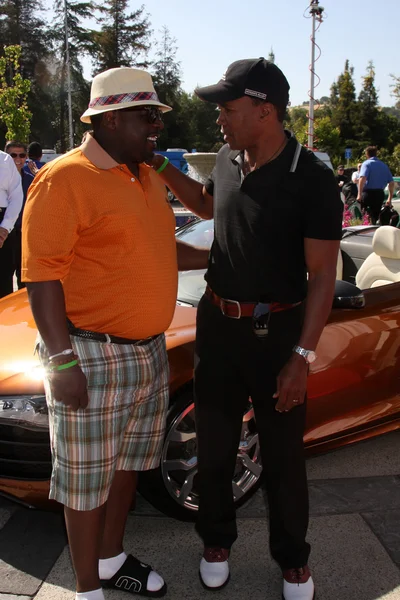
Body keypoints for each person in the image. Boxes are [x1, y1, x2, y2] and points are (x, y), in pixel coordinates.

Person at [151, 57, 343, 600]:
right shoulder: (232, 160)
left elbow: (324, 275)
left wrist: (301, 357)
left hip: (278, 333)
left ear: (265, 110)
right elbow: (210, 207)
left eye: (228, 109)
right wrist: (161, 168)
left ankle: (293, 561)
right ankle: (215, 541)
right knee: (214, 444)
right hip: (218, 325)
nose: (219, 118)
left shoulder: (312, 178)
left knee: (282, 456)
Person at [22, 66, 208, 600]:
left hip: (149, 352)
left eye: (157, 116)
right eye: (146, 116)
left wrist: (227, 256)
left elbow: (160, 247)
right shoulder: (65, 178)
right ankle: (86, 590)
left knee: (127, 471)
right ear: (108, 119)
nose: (156, 126)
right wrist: (60, 363)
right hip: (90, 354)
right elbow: (41, 276)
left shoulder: (144, 174)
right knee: (84, 485)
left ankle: (111, 559)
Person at [5, 141, 35, 289]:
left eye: (22, 155)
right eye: (13, 155)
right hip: (6, 234)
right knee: (4, 276)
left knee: (24, 277)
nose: (18, 159)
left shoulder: (32, 180)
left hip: (25, 235)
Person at [0, 149, 23, 298]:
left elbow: (16, 196)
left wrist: (5, 228)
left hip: (2, 221)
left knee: (3, 281)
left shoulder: (5, 160)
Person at [357, 146, 394, 224]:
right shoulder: (384, 165)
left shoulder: (366, 164)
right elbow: (391, 182)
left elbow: (362, 178)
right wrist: (389, 198)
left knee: (365, 216)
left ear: (367, 154)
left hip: (368, 193)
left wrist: (359, 194)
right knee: (376, 216)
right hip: (379, 194)